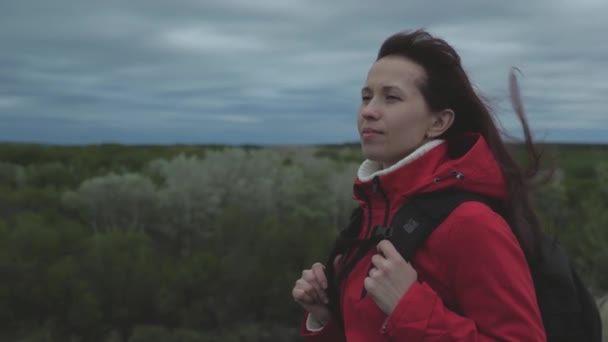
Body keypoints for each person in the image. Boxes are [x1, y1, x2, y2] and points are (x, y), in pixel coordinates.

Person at [291, 29, 548, 341]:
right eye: (366, 96)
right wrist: (324, 318)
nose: (369, 111)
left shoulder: (470, 223)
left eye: (392, 97)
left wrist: (409, 308)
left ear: (438, 122)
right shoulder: (372, 214)